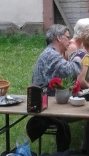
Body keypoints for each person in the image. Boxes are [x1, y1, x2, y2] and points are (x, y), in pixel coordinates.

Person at [28, 24, 82, 152]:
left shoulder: (50, 52)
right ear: (59, 37)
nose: (70, 41)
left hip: (47, 100)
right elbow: (71, 70)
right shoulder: (51, 55)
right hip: (47, 104)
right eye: (68, 38)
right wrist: (78, 57)